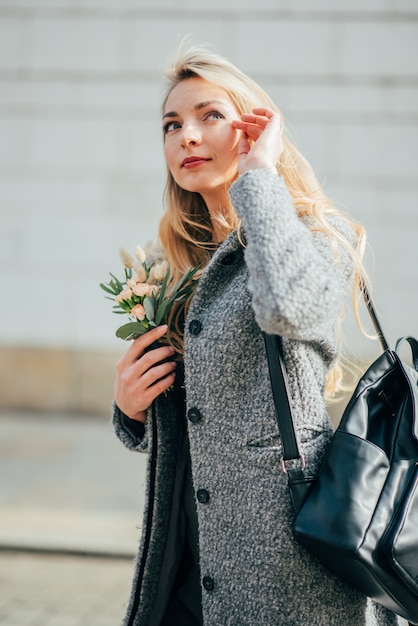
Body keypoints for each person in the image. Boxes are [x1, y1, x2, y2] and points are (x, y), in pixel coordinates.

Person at [112, 44, 401, 626]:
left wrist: (260, 179)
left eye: (209, 115)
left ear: (255, 129)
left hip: (286, 566)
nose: (186, 136)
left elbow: (292, 309)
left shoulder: (316, 233)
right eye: (172, 125)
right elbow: (195, 423)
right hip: (187, 562)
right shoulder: (179, 266)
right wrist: (131, 412)